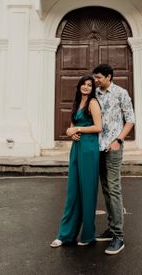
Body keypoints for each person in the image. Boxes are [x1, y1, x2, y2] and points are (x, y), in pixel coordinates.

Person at [50, 75, 102, 248]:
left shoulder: (93, 102)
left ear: (92, 88)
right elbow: (71, 127)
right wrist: (69, 131)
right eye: (84, 84)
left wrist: (77, 129)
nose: (86, 87)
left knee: (87, 191)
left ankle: (87, 236)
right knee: (73, 192)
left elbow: (98, 127)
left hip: (89, 149)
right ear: (79, 86)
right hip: (77, 148)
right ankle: (65, 235)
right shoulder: (76, 102)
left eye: (89, 85)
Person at [92, 63, 135, 255]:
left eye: (99, 77)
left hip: (113, 147)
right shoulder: (95, 93)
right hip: (97, 147)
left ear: (109, 76)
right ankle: (111, 228)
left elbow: (130, 120)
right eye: (95, 77)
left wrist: (118, 140)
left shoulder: (121, 93)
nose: (96, 80)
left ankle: (119, 236)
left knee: (114, 189)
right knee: (106, 189)